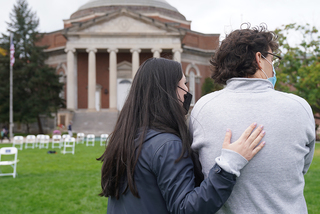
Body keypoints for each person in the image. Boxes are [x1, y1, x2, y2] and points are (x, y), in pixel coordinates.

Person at [98, 57, 266, 214]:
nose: (187, 90)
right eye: (184, 84)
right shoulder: (167, 145)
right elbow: (185, 208)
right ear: (169, 91)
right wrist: (228, 165)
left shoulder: (128, 138)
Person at [190, 24, 315, 214]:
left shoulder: (202, 108)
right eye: (272, 59)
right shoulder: (299, 107)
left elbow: (197, 169)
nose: (274, 68)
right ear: (259, 59)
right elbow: (302, 167)